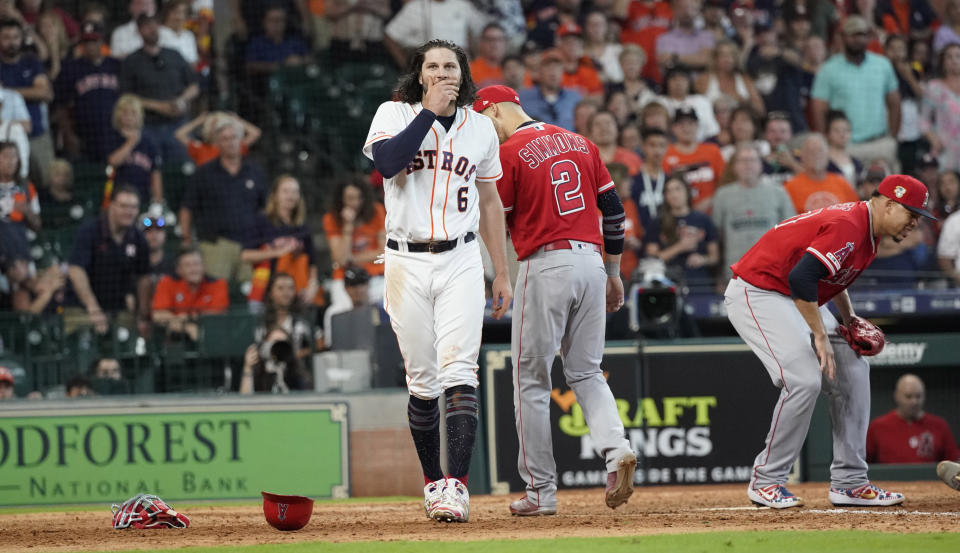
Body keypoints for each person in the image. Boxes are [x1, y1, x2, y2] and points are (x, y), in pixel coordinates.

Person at [361, 40, 511, 523]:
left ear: (463, 74)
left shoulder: (481, 127)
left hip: (462, 259)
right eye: (433, 66)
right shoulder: (394, 112)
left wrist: (501, 270)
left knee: (460, 372)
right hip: (406, 261)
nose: (443, 72)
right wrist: (427, 112)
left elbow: (490, 203)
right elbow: (388, 163)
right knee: (423, 381)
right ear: (420, 74)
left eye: (451, 65)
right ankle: (432, 482)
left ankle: (457, 486)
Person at [473, 84, 637, 516]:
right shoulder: (580, 142)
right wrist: (615, 273)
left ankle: (540, 491)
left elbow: (496, 219)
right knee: (585, 372)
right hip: (592, 262)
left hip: (545, 265)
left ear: (492, 113)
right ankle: (616, 447)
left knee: (531, 380)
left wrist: (500, 275)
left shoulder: (508, 153)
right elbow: (615, 211)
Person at [724, 174, 932, 508]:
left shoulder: (868, 229)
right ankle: (767, 480)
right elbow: (801, 277)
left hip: (792, 295)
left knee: (853, 366)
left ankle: (850, 482)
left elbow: (829, 276)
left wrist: (848, 319)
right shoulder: (849, 225)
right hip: (758, 290)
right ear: (891, 205)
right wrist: (819, 336)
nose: (915, 224)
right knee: (804, 380)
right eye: (912, 214)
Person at [180, 116, 267, 282]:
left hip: (250, 246)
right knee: (216, 297)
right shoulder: (203, 173)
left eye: (234, 137)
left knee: (249, 298)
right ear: (217, 144)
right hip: (215, 246)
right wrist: (185, 238)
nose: (230, 142)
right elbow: (187, 208)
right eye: (224, 139)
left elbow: (264, 208)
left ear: (241, 141)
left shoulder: (255, 172)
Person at [810, 16, 900, 169]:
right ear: (843, 37)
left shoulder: (883, 65)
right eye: (852, 35)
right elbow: (819, 109)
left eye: (861, 35)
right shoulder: (828, 69)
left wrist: (892, 136)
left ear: (868, 37)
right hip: (844, 146)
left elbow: (895, 103)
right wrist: (828, 140)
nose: (857, 39)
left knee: (888, 192)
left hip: (878, 143)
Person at [67, 185, 151, 336]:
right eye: (123, 206)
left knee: (131, 339)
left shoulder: (138, 238)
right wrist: (93, 309)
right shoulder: (90, 231)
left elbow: (143, 278)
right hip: (81, 307)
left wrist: (142, 315)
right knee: (83, 334)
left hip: (118, 309)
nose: (129, 212)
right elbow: (75, 270)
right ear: (111, 206)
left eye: (133, 207)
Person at [120, 13, 199, 164]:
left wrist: (181, 100)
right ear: (139, 31)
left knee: (185, 167)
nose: (152, 29)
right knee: (151, 170)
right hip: (147, 126)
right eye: (147, 26)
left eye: (155, 24)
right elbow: (126, 96)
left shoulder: (174, 54)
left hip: (178, 124)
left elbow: (194, 86)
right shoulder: (132, 61)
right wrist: (159, 106)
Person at [712, 144, 795, 285]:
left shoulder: (778, 192)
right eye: (743, 161)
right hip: (734, 274)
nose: (747, 165)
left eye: (752, 160)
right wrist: (718, 275)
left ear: (761, 165)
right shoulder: (722, 195)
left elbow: (791, 233)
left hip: (772, 272)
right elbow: (716, 237)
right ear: (734, 166)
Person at [243, 174, 320, 308]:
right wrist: (278, 252)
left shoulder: (302, 227)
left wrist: (313, 285)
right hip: (266, 290)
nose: (290, 196)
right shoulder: (261, 222)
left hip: (296, 290)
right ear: (275, 195)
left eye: (295, 191)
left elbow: (312, 263)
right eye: (285, 191)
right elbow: (246, 255)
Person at [53, 21, 120, 162]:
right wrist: (68, 135)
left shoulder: (116, 65)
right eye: (86, 42)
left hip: (116, 133)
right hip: (86, 135)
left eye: (94, 41)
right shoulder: (71, 69)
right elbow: (60, 106)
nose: (90, 46)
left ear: (102, 41)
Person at [0, 19, 53, 187]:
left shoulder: (32, 61)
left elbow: (44, 93)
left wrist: (7, 91)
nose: (12, 42)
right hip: (4, 137)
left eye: (16, 37)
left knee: (46, 179)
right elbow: (36, 91)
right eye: (6, 37)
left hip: (36, 133)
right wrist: (29, 91)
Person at [321, 178, 385, 313]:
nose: (355, 203)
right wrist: (348, 225)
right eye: (350, 198)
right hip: (345, 279)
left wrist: (352, 259)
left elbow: (383, 252)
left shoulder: (377, 211)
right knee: (339, 312)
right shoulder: (331, 219)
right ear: (341, 200)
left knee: (386, 307)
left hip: (376, 275)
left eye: (359, 198)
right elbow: (342, 259)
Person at [644, 175, 719, 288]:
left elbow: (715, 257)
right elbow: (652, 260)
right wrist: (680, 247)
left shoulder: (703, 220)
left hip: (700, 283)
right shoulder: (657, 222)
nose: (674, 195)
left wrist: (703, 259)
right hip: (667, 283)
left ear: (687, 192)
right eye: (669, 191)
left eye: (678, 189)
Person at [866, 374, 960, 464]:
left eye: (918, 396)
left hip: (930, 480)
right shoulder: (877, 427)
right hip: (887, 481)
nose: (914, 402)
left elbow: (955, 463)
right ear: (897, 396)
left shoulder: (939, 426)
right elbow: (863, 463)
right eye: (908, 396)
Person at [151, 247, 229, 340]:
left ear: (204, 266)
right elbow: (158, 315)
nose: (194, 269)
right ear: (178, 270)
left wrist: (187, 317)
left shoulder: (218, 284)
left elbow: (218, 314)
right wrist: (188, 327)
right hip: (175, 339)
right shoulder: (167, 282)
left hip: (212, 338)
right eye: (188, 265)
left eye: (197, 264)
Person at [382, 0, 488, 67]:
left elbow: (483, 31)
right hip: (429, 65)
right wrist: (404, 64)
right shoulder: (415, 6)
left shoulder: (462, 5)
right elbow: (389, 36)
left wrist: (476, 57)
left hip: (461, 65)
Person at [662, 107, 726, 212]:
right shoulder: (666, 153)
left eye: (691, 123)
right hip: (678, 213)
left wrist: (710, 200)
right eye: (681, 124)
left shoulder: (712, 150)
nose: (686, 128)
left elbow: (723, 182)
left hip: (712, 211)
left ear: (697, 126)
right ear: (673, 128)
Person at [106, 94, 162, 208]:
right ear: (118, 115)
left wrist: (158, 201)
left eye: (133, 113)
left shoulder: (149, 142)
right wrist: (131, 142)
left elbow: (155, 173)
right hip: (117, 198)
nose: (129, 116)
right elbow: (113, 161)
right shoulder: (112, 137)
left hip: (143, 199)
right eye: (125, 113)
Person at [784, 134, 859, 213]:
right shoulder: (790, 187)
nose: (816, 155)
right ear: (802, 156)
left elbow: (855, 213)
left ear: (827, 155)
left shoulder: (842, 183)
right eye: (811, 151)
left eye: (820, 151)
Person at [694, 39, 765, 116]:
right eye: (722, 55)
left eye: (731, 55)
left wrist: (743, 102)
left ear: (736, 58)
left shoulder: (745, 79)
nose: (727, 59)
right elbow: (697, 108)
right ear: (715, 58)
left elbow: (761, 111)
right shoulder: (704, 79)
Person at [518, 49, 581, 131]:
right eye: (548, 67)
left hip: (569, 142)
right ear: (539, 71)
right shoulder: (523, 98)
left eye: (557, 67)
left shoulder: (574, 98)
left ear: (562, 72)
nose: (553, 72)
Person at [921, 44, 960, 173]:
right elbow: (923, 120)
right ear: (942, 62)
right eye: (949, 57)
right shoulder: (934, 87)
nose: (954, 60)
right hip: (945, 150)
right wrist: (934, 139)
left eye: (958, 56)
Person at [175, 111, 261, 166]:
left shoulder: (233, 146)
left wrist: (237, 120)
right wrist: (198, 121)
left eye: (219, 124)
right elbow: (179, 134)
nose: (216, 128)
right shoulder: (201, 148)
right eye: (212, 125)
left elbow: (256, 133)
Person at [632, 126, 669, 228]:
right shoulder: (633, 181)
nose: (657, 151)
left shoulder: (671, 181)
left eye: (661, 146)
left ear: (666, 149)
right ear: (643, 147)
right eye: (652, 145)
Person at [825, 111, 862, 188]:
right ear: (828, 134)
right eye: (836, 131)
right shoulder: (824, 162)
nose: (842, 134)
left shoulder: (856, 162)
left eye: (846, 130)